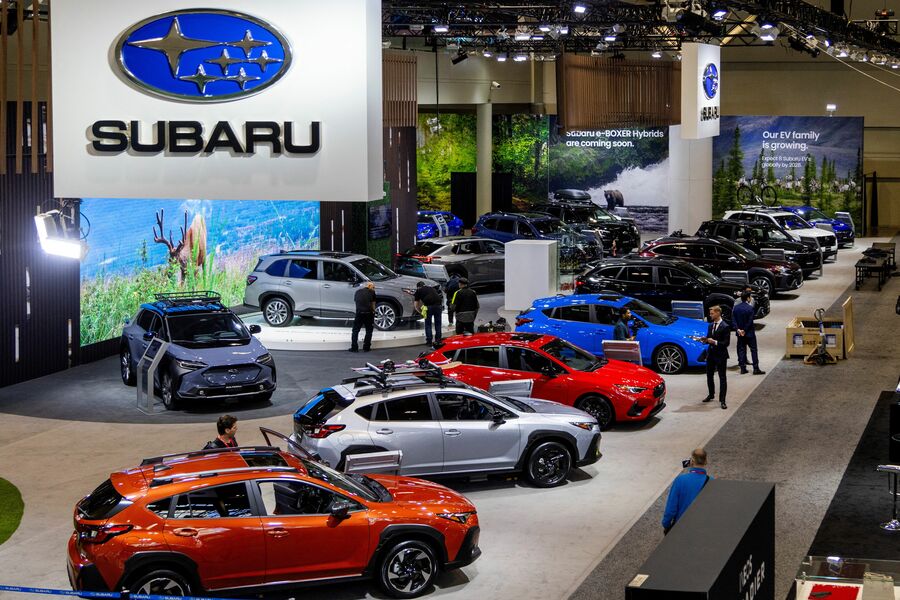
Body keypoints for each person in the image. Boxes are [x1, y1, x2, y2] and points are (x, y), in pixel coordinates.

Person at [661, 448, 712, 534]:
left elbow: (671, 508)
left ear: (692, 461)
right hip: (702, 528)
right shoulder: (712, 481)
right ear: (706, 461)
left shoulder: (680, 480)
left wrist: (666, 524)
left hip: (681, 527)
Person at [701, 305, 731, 409]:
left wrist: (714, 342)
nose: (710, 315)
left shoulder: (725, 326)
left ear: (718, 313)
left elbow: (726, 343)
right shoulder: (710, 325)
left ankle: (722, 400)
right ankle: (711, 394)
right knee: (709, 375)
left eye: (712, 313)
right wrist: (705, 340)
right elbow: (709, 338)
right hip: (711, 354)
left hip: (721, 355)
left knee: (722, 377)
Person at [733, 290, 765, 375]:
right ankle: (756, 369)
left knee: (741, 350)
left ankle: (743, 368)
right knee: (753, 350)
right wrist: (744, 330)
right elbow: (750, 321)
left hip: (740, 333)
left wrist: (738, 329)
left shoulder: (736, 308)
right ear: (748, 298)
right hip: (749, 333)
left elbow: (733, 320)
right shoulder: (750, 308)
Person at [349, 281, 376, 353]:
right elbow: (373, 304)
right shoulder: (372, 292)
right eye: (374, 287)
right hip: (368, 313)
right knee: (369, 331)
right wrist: (374, 312)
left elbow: (357, 302)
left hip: (359, 313)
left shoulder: (357, 292)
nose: (374, 289)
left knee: (355, 330)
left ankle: (354, 347)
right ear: (370, 287)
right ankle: (366, 347)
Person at [414, 281, 443, 347]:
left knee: (428, 324)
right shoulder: (432, 288)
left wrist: (420, 312)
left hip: (429, 307)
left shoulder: (419, 290)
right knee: (438, 324)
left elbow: (416, 305)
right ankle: (438, 340)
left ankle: (429, 341)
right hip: (439, 306)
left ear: (418, 287)